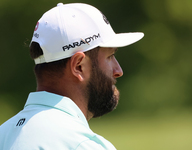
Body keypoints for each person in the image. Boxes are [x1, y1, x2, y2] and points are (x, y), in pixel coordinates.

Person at [0, 3, 144, 150]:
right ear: (78, 66)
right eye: (110, 56)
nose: (118, 70)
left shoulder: (3, 134)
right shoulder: (83, 145)